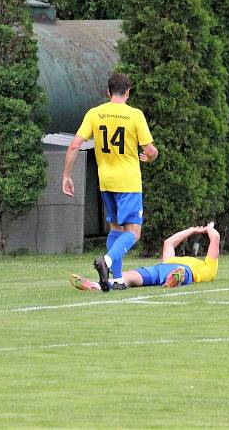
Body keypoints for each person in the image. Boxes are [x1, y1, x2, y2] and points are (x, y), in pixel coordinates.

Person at [62, 72, 158, 292]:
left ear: (108, 92)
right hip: (129, 182)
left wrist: (66, 176)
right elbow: (150, 150)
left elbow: (74, 145)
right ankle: (107, 261)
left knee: (115, 228)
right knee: (133, 232)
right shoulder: (134, 115)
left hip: (106, 182)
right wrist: (152, 156)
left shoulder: (95, 114)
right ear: (128, 92)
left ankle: (116, 280)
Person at [69, 223, 220, 291]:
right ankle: (95, 285)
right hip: (164, 268)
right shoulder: (172, 260)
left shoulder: (209, 269)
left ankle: (174, 278)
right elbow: (169, 243)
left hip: (182, 271)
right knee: (126, 276)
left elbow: (215, 238)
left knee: (180, 270)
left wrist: (208, 229)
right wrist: (191, 230)